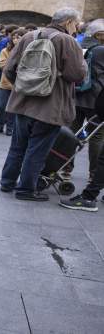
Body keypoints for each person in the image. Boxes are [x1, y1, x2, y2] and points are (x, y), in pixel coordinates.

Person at [0, 7, 86, 202]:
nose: (76, 29)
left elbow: (9, 69)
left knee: (17, 146)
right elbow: (77, 75)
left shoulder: (28, 36)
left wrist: (24, 87)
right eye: (76, 24)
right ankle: (26, 189)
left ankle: (7, 182)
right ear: (68, 22)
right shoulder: (67, 41)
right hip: (50, 108)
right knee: (37, 149)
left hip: (22, 104)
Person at [59, 19, 104, 211]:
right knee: (97, 138)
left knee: (72, 133)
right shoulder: (101, 50)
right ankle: (94, 174)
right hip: (97, 100)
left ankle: (65, 168)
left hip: (77, 97)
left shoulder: (78, 44)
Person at [0, 28, 27, 136]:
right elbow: (3, 65)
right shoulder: (5, 51)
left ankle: (10, 128)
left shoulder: (26, 51)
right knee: (1, 106)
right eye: (14, 37)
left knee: (13, 108)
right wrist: (16, 67)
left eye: (18, 37)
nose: (15, 40)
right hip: (5, 83)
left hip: (18, 85)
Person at [0, 24, 18, 116]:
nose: (16, 39)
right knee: (0, 90)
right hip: (3, 72)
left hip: (10, 74)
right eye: (14, 35)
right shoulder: (4, 42)